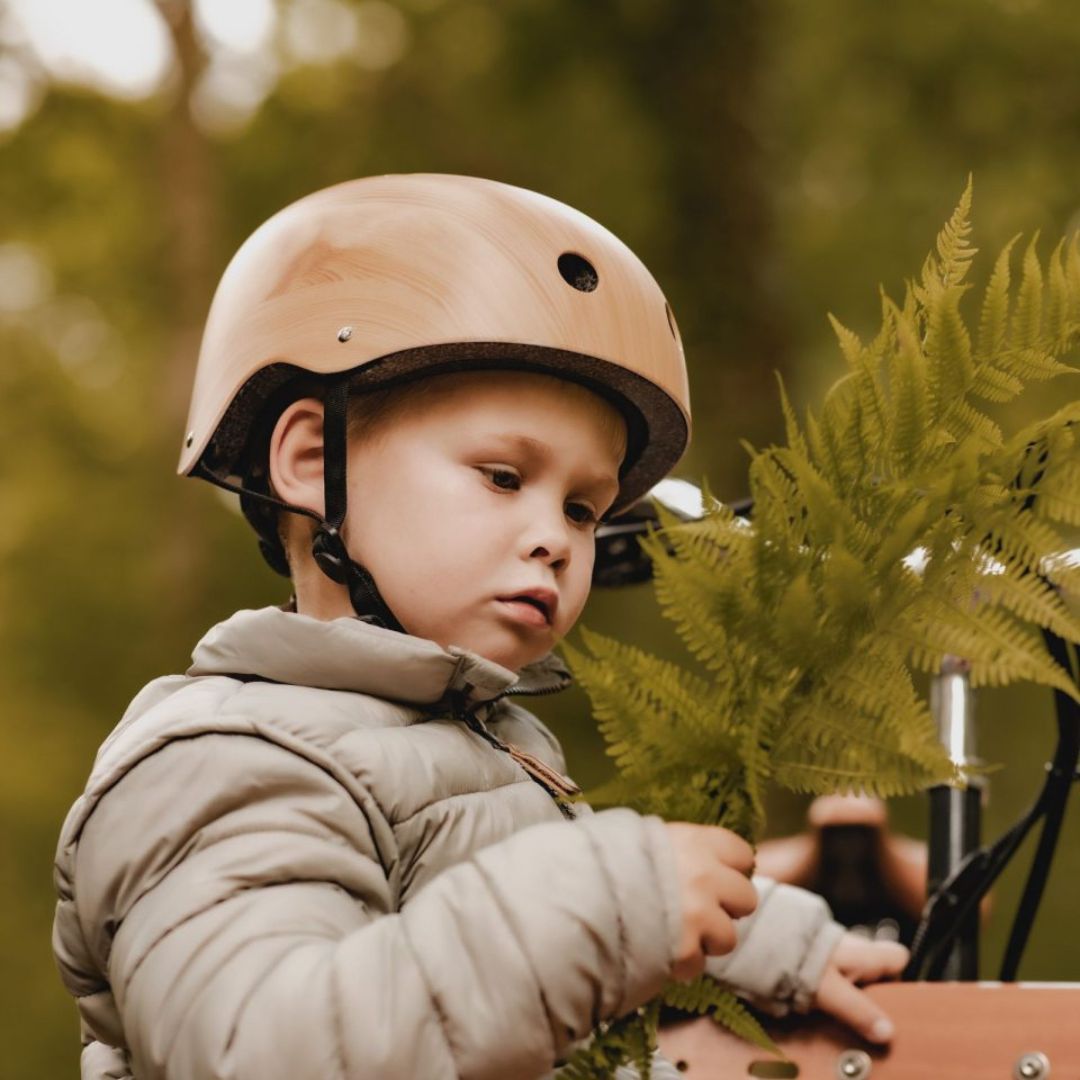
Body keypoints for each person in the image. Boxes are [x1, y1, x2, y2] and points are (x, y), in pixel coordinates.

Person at [52, 174, 906, 1080]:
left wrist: (752, 940)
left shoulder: (482, 750)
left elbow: (480, 980)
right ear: (310, 460)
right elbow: (263, 1049)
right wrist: (611, 904)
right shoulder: (222, 765)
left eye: (583, 508)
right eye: (504, 476)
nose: (554, 539)